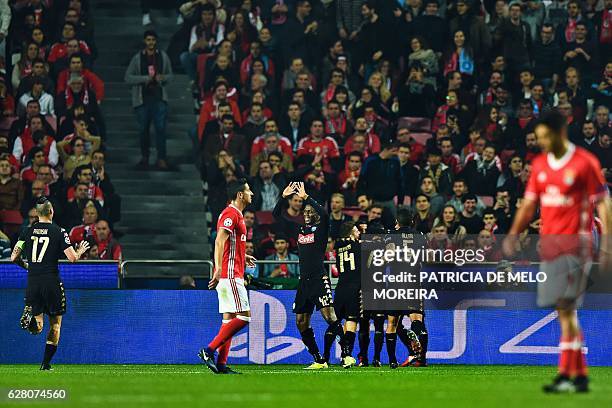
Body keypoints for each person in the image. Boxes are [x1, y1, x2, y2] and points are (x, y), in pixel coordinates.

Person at [503, 109, 609, 393]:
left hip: (577, 244)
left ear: (560, 133)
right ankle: (579, 376)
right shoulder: (539, 165)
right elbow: (528, 204)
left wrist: (607, 244)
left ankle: (567, 374)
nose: (541, 143)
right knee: (565, 311)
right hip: (550, 246)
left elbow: (603, 204)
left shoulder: (585, 162)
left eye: (545, 137)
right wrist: (513, 233)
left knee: (566, 306)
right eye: (538, 138)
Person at [273, 182, 347, 369]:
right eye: (304, 213)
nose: (306, 215)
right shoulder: (299, 231)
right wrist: (283, 197)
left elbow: (323, 213)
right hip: (304, 282)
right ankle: (318, 359)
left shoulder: (321, 230)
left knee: (329, 316)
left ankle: (346, 354)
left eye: (309, 212)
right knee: (300, 321)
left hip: (319, 278)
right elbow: (276, 217)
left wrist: (306, 198)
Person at [11, 196, 90, 370]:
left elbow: (13, 257)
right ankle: (45, 364)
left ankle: (32, 319)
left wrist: (26, 266)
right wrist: (79, 251)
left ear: (37, 214)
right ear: (51, 211)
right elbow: (72, 259)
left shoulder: (26, 231)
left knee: (38, 328)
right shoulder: (59, 231)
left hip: (33, 281)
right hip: (51, 281)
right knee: (55, 324)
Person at [199, 179, 256, 375]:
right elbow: (219, 240)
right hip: (230, 275)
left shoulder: (237, 215)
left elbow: (231, 242)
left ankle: (221, 365)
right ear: (240, 194)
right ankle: (208, 351)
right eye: (249, 191)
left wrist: (243, 254)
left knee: (229, 320)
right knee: (244, 317)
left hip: (231, 273)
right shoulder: (231, 213)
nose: (252, 194)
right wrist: (218, 268)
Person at [125, 30, 173, 170]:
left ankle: (161, 158)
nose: (150, 42)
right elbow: (128, 77)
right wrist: (145, 79)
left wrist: (162, 78)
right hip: (142, 100)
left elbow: (170, 76)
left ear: (156, 41)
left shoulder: (163, 56)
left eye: (153, 39)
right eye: (148, 40)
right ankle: (145, 157)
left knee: (160, 129)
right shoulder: (137, 58)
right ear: (145, 41)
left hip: (159, 99)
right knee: (143, 130)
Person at [331, 221, 361, 368]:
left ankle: (323, 356)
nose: (358, 233)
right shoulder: (357, 246)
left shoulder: (339, 246)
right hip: (354, 288)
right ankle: (346, 355)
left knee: (335, 323)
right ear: (350, 233)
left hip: (340, 287)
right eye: (356, 230)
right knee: (351, 322)